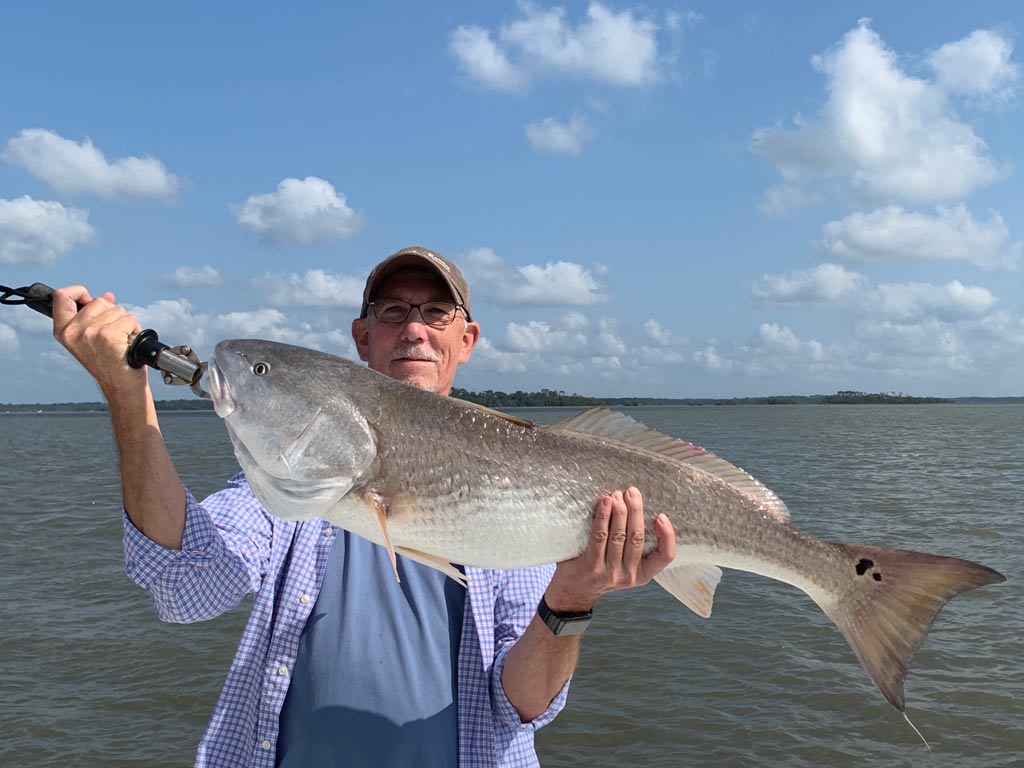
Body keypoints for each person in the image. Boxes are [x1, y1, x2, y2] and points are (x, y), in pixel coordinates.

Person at [52, 246, 676, 768]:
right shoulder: (285, 496)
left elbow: (523, 704)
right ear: (362, 335)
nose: (415, 328)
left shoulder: (517, 486)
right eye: (394, 310)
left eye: (437, 312)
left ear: (467, 338)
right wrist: (126, 396)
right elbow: (186, 585)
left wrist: (569, 600)